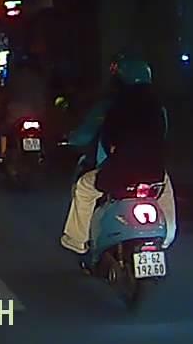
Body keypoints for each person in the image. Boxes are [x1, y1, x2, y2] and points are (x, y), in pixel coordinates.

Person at [60, 56, 178, 255]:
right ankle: (167, 236)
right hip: (154, 172)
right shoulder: (159, 108)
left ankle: (76, 240)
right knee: (165, 192)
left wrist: (69, 139)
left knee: (84, 188)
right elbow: (162, 136)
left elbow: (86, 134)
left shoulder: (111, 106)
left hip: (118, 171)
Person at [0, 52, 49, 161]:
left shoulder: (14, 79)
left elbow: (6, 94)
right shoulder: (39, 78)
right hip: (37, 113)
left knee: (4, 131)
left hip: (17, 113)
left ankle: (3, 155)